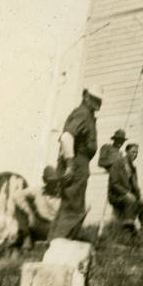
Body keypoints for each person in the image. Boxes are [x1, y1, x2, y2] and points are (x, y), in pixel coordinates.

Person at [48, 86, 103, 240]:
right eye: (95, 99)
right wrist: (71, 165)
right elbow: (66, 137)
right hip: (77, 163)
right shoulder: (83, 113)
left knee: (68, 206)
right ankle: (60, 245)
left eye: (100, 100)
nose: (98, 103)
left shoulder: (87, 115)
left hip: (78, 162)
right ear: (85, 96)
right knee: (74, 207)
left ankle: (54, 243)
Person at [108, 143, 143, 235]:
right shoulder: (117, 164)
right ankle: (127, 230)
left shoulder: (133, 169)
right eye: (133, 152)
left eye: (136, 153)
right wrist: (126, 193)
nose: (135, 155)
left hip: (130, 196)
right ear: (126, 151)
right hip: (116, 195)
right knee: (131, 201)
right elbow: (114, 183)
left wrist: (140, 197)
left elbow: (135, 187)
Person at [13, 165, 61, 249]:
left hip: (53, 228)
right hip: (38, 224)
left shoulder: (62, 195)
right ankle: (26, 237)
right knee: (18, 207)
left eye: (55, 182)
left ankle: (29, 239)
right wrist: (29, 212)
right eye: (50, 181)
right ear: (44, 180)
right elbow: (16, 196)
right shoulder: (38, 190)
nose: (53, 185)